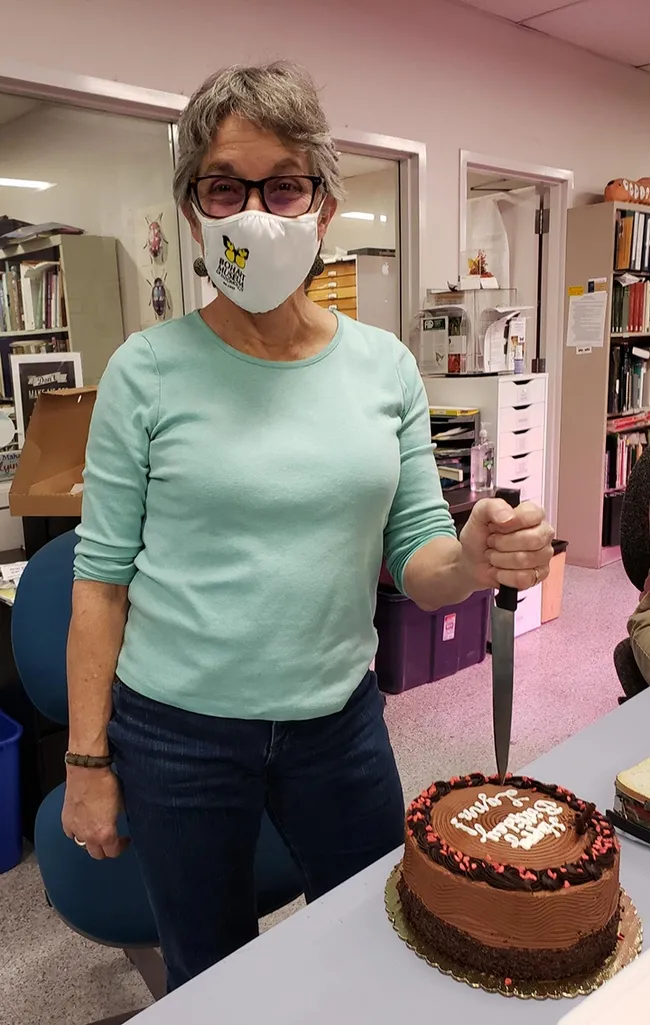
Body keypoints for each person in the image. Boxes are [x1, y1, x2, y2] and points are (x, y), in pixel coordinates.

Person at [62, 61, 555, 992]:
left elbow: (418, 557)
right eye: (224, 186)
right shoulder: (146, 370)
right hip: (178, 734)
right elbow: (102, 581)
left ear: (322, 205)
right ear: (197, 209)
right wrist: (88, 761)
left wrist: (477, 557)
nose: (255, 211)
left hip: (339, 722)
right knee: (213, 974)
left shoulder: (385, 369)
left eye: (282, 183)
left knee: (378, 943)